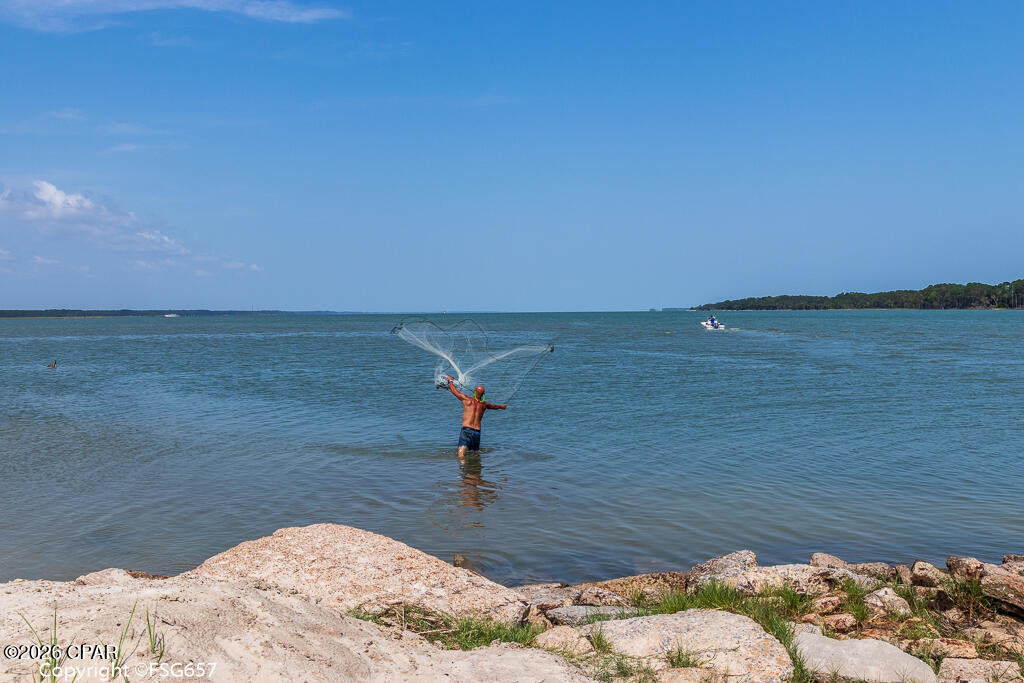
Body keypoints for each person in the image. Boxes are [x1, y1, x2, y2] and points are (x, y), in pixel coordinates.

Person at [445, 376, 506, 457]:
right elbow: (495, 406)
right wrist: (502, 406)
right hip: (477, 432)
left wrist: (450, 381)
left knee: (461, 452)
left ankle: (462, 468)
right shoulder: (484, 404)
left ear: (474, 392)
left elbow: (454, 391)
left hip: (466, 430)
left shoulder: (467, 400)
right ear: (483, 394)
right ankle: (476, 468)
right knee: (475, 454)